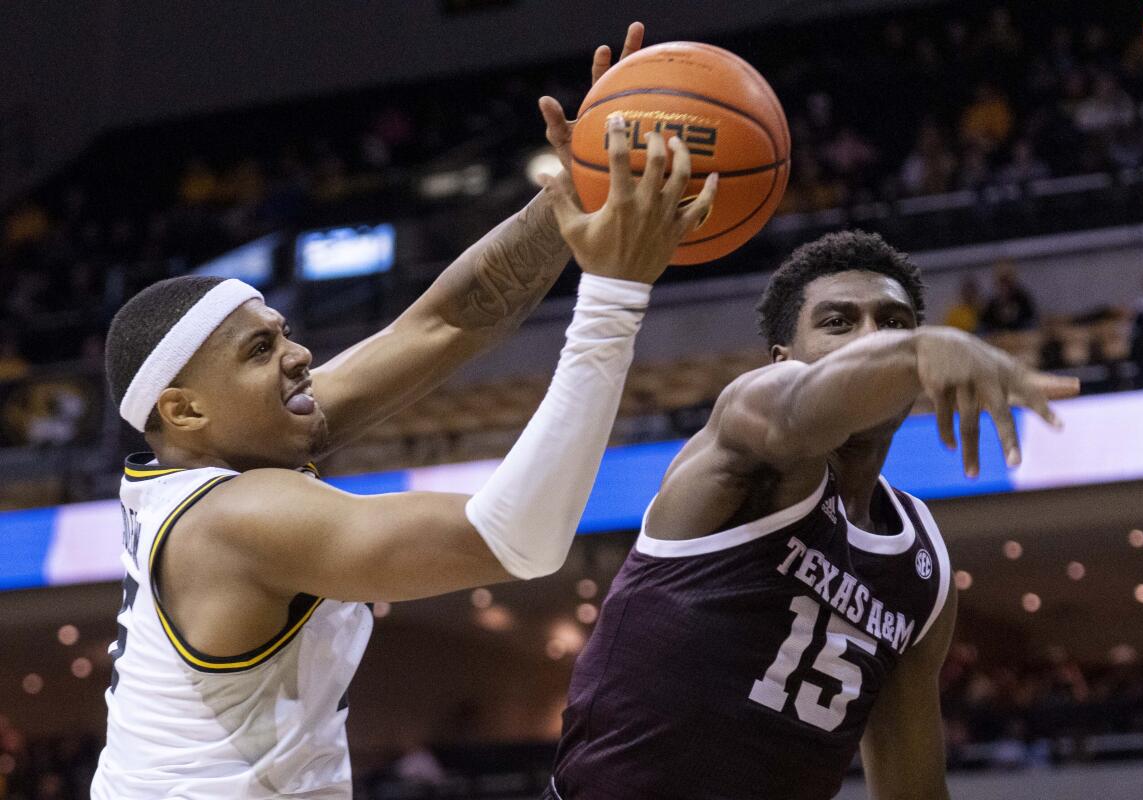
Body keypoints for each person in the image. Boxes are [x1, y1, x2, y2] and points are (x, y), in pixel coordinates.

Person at [92, 23, 719, 798]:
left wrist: (579, 183)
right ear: (183, 410)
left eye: (283, 334)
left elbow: (449, 321)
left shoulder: (222, 451)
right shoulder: (236, 517)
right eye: (258, 352)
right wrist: (616, 293)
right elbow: (515, 539)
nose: (297, 357)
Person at [548, 230, 1078, 800]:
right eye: (838, 323)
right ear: (783, 361)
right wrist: (920, 346)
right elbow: (796, 411)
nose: (871, 340)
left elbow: (912, 789)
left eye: (895, 323)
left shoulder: (922, 564)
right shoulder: (749, 423)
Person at [980, 261, 1037, 332]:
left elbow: (1031, 321)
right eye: (1002, 281)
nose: (1005, 286)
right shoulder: (992, 304)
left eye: (1007, 281)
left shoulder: (1023, 299)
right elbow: (984, 325)